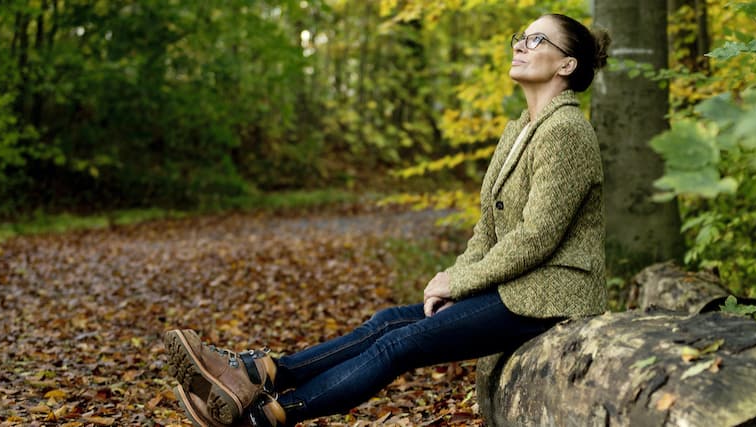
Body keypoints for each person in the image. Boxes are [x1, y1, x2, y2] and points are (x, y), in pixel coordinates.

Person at [163, 13, 612, 427]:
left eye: (536, 39)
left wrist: (460, 284)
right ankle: (258, 371)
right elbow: (488, 229)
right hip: (518, 290)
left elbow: (538, 236)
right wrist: (457, 276)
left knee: (400, 344)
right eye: (521, 36)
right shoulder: (520, 129)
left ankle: (268, 416)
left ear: (566, 65)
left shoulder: (566, 130)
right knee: (386, 322)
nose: (520, 45)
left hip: (554, 295)